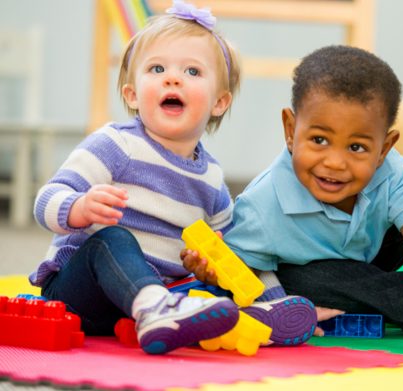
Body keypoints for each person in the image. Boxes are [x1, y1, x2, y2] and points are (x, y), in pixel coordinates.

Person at [183, 45, 403, 336]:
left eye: (356, 147)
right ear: (290, 130)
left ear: (384, 149)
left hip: (375, 252)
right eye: (319, 140)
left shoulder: (389, 169)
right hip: (328, 277)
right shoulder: (263, 207)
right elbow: (239, 271)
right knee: (301, 281)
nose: (335, 163)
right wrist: (209, 271)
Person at [30, 0, 243, 355]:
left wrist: (209, 266)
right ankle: (154, 308)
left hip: (150, 299)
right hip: (79, 296)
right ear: (132, 94)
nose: (172, 78)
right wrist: (78, 207)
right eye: (157, 68)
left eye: (192, 72)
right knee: (112, 238)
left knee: (220, 288)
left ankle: (167, 314)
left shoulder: (212, 178)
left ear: (219, 102)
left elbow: (231, 246)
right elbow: (45, 201)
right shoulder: (116, 144)